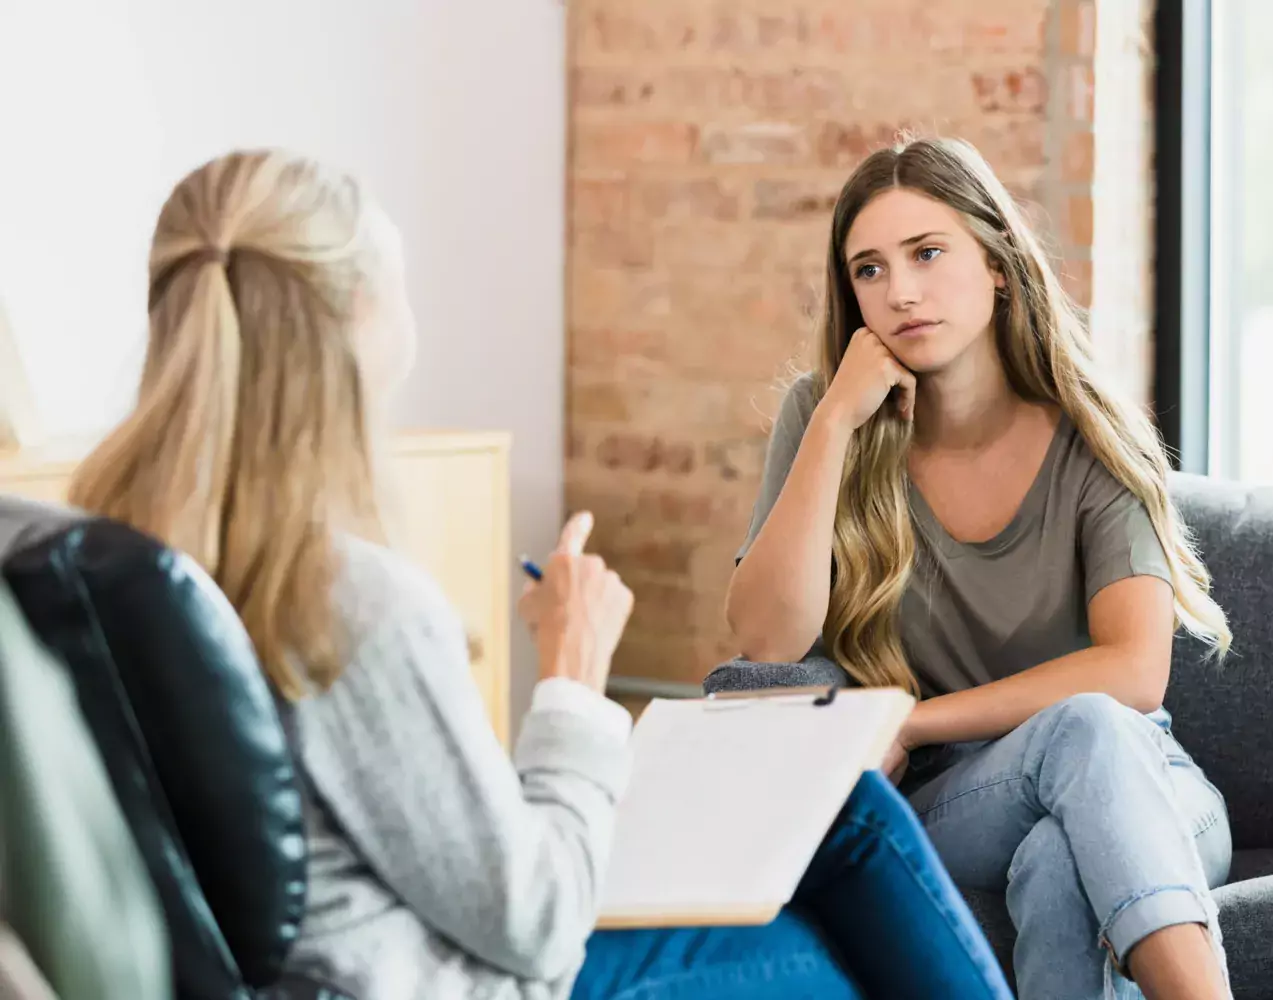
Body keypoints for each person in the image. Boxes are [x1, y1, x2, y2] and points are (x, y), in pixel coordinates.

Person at [67, 149, 1013, 1000]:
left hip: (357, 958)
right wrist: (570, 676)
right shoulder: (344, 602)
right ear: (358, 322)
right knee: (835, 928)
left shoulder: (102, 560)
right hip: (450, 978)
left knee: (844, 811)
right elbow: (535, 920)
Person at [726, 135, 1236, 1000]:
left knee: (1062, 837)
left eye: (927, 253)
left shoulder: (1090, 430)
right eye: (870, 271)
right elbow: (766, 638)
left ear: (997, 262)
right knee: (1080, 737)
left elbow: (1134, 673)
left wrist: (909, 721)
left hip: (1148, 785)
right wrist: (832, 428)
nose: (902, 292)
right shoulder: (824, 417)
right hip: (960, 802)